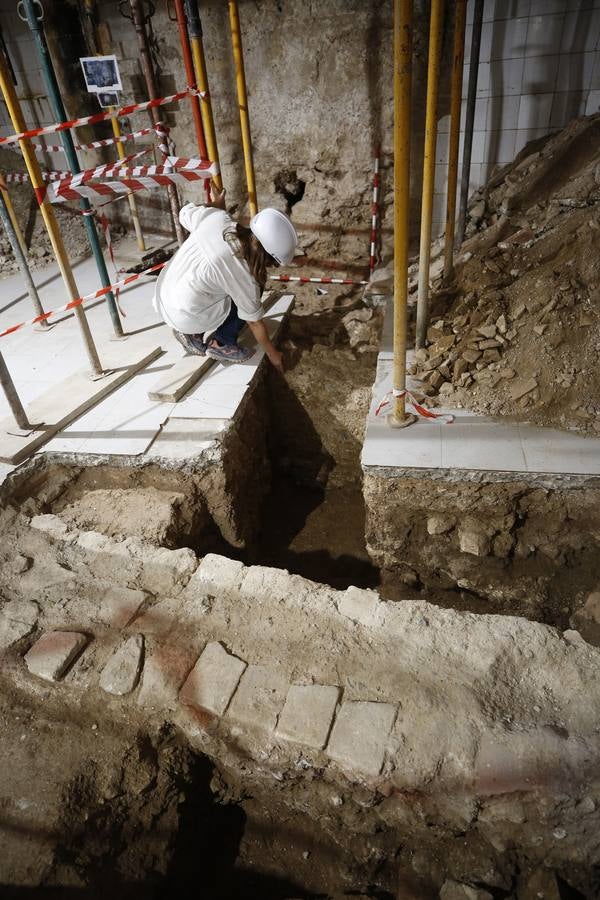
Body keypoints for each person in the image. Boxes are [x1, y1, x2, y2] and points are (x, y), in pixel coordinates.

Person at [154, 188, 298, 372]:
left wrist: (215, 206)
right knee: (252, 295)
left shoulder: (218, 218)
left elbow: (184, 213)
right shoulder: (243, 272)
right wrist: (274, 355)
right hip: (185, 314)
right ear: (266, 256)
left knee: (208, 282)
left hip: (164, 297)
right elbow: (254, 321)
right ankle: (222, 342)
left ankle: (191, 334)